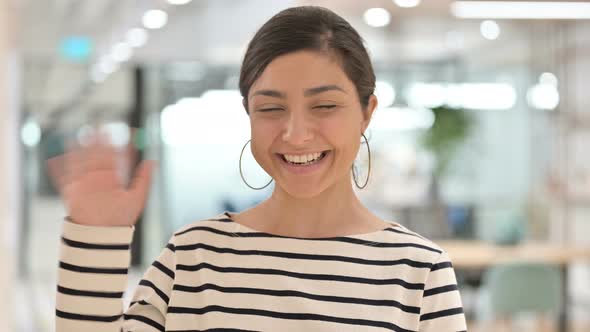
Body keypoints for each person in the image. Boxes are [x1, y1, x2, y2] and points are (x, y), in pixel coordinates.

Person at [50, 6, 467, 332]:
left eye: (324, 106)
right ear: (248, 112)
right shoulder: (193, 256)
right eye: (271, 108)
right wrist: (96, 238)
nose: (296, 134)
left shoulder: (419, 271)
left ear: (366, 112)